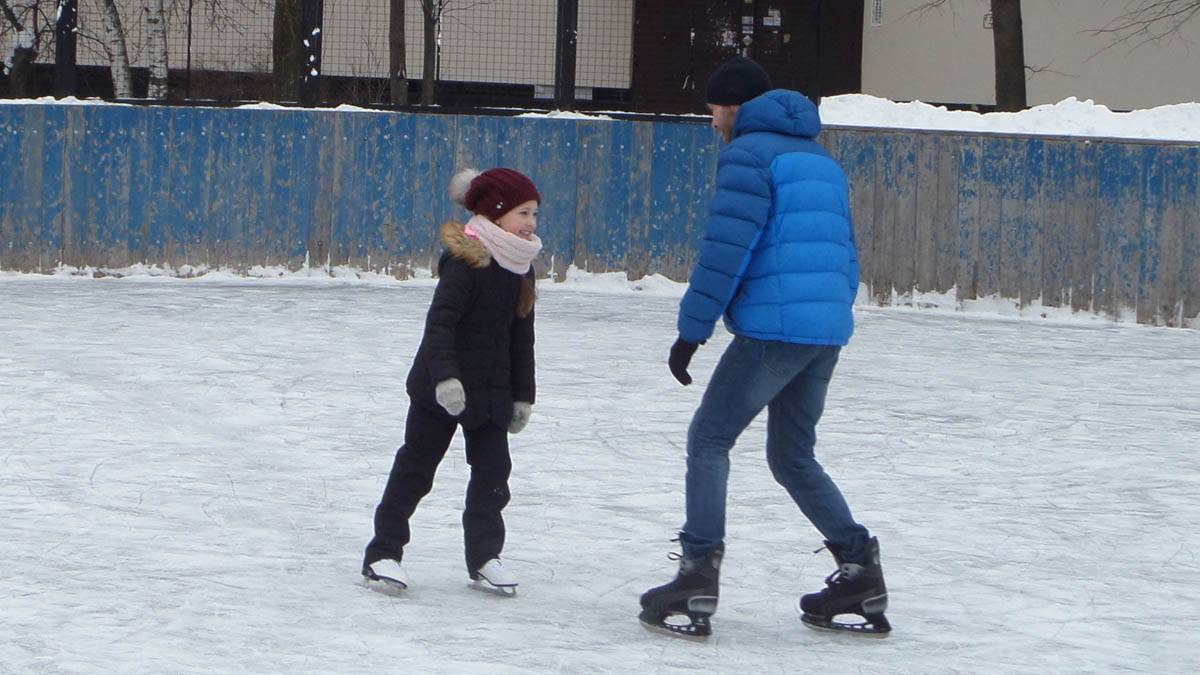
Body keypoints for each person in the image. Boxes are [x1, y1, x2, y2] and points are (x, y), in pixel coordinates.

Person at [639, 57, 890, 638]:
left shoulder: (747, 155)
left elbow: (727, 249)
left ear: (733, 107)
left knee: (709, 438)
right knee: (792, 455)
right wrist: (830, 316)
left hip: (775, 330)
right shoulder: (820, 159)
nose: (711, 124)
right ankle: (859, 570)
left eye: (713, 111)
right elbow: (845, 251)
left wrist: (691, 330)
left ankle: (697, 574)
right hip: (824, 329)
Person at [362, 167, 541, 597]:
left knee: (494, 474)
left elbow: (522, 336)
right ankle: (383, 553)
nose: (531, 224)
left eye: (535, 214)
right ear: (497, 214)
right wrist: (445, 378)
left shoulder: (521, 266)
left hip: (492, 390)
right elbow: (439, 325)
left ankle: (483, 557)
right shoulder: (467, 261)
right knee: (417, 468)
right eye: (523, 213)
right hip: (440, 389)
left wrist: (523, 396)